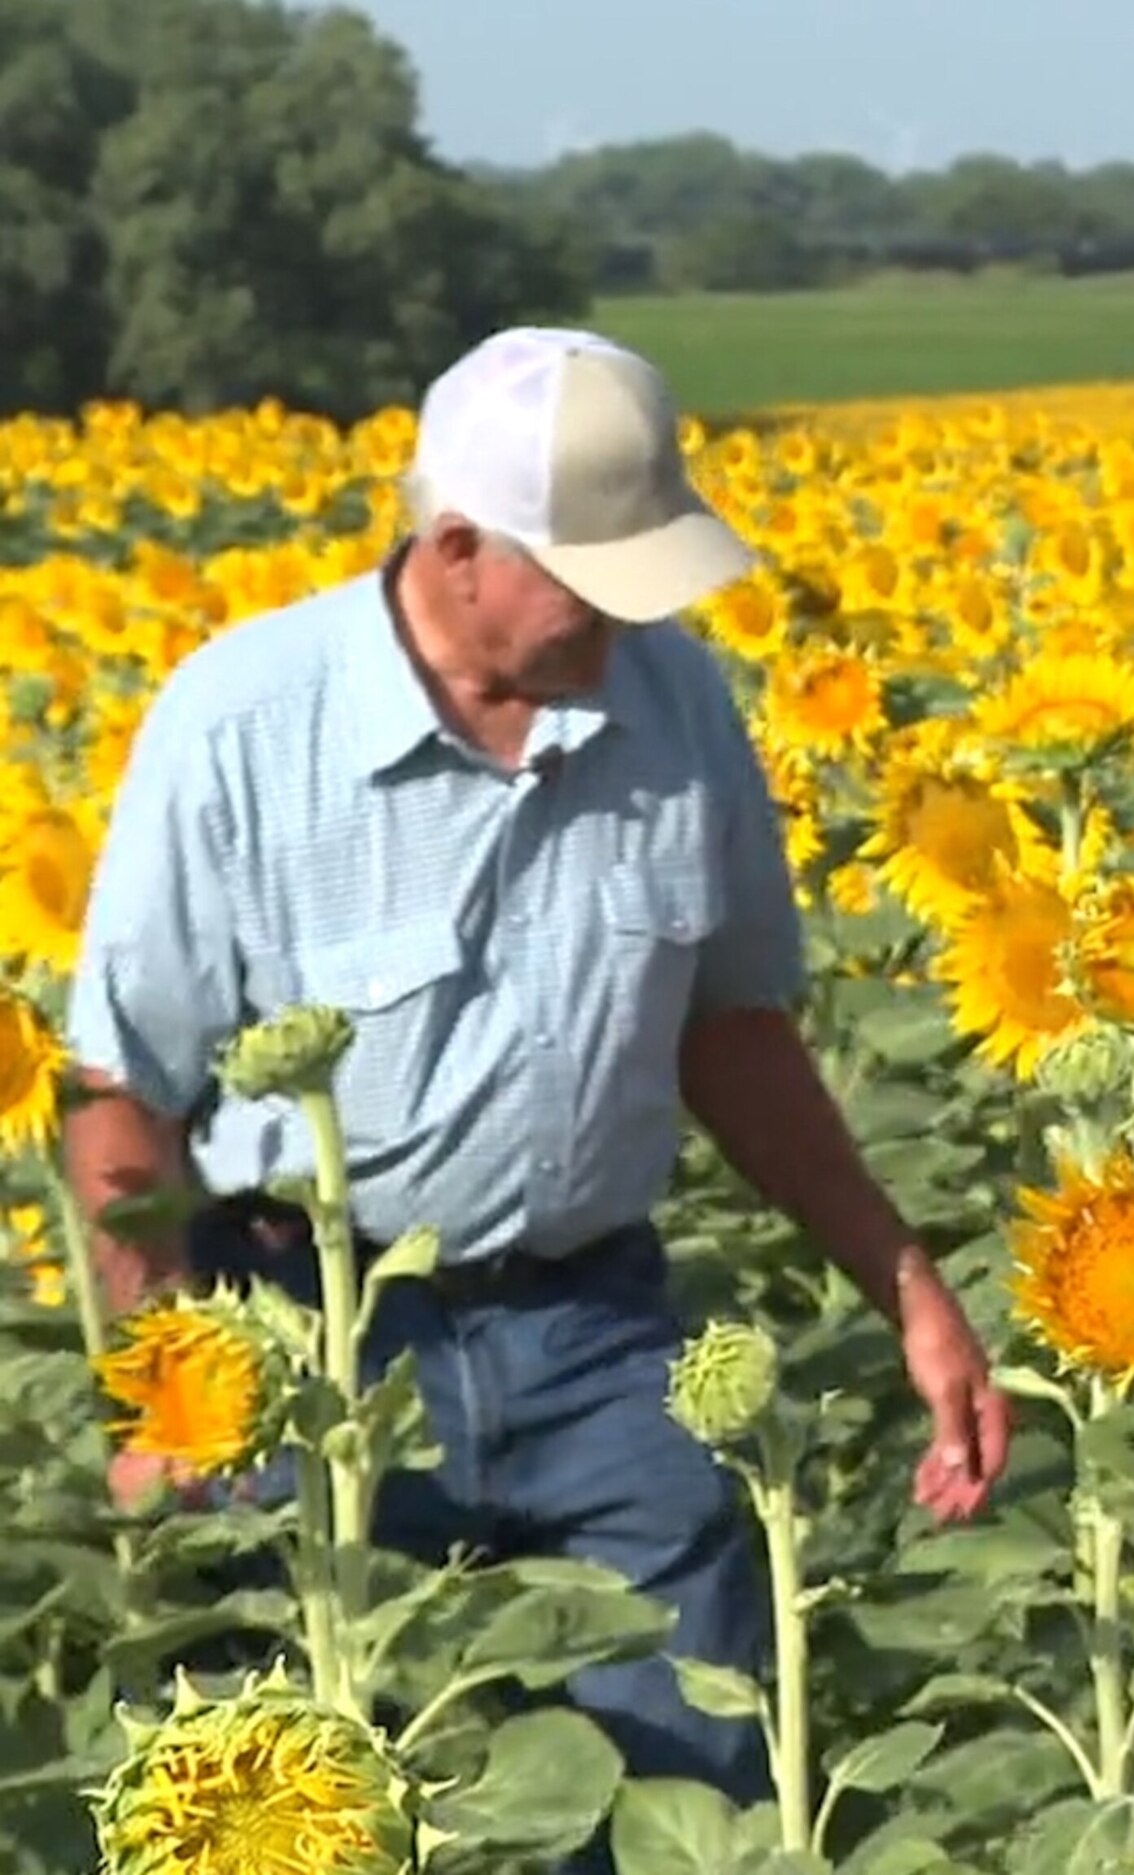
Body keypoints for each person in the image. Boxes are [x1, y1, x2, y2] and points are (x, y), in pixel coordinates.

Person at [61, 327, 1011, 1871]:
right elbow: (122, 1092)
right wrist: (165, 1383)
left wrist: (906, 1285)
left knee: (699, 1786)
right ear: (457, 550)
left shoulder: (675, 702)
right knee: (289, 1789)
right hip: (307, 1342)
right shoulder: (242, 724)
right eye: (593, 582)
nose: (628, 620)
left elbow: (734, 1034)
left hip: (594, 1331)